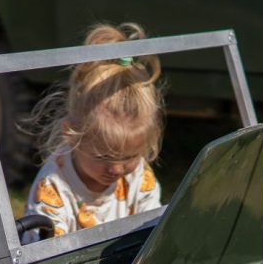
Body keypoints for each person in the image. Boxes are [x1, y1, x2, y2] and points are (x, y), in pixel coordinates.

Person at [23, 23, 164, 239]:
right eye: (104, 156)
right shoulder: (54, 190)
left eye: (129, 156)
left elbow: (155, 229)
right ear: (71, 134)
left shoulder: (138, 175)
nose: (117, 169)